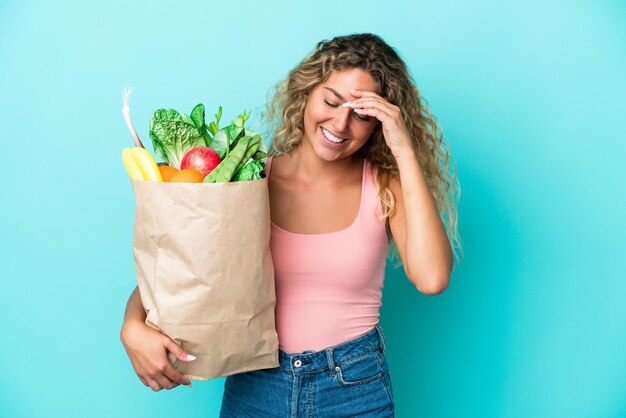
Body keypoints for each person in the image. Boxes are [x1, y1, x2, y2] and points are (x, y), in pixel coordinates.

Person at [120, 33, 462, 417]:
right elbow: (182, 272)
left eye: (362, 114)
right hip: (256, 383)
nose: (340, 122)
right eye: (331, 101)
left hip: (354, 385)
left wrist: (403, 151)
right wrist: (131, 324)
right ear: (307, 93)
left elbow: (432, 278)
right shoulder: (250, 180)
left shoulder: (385, 185)